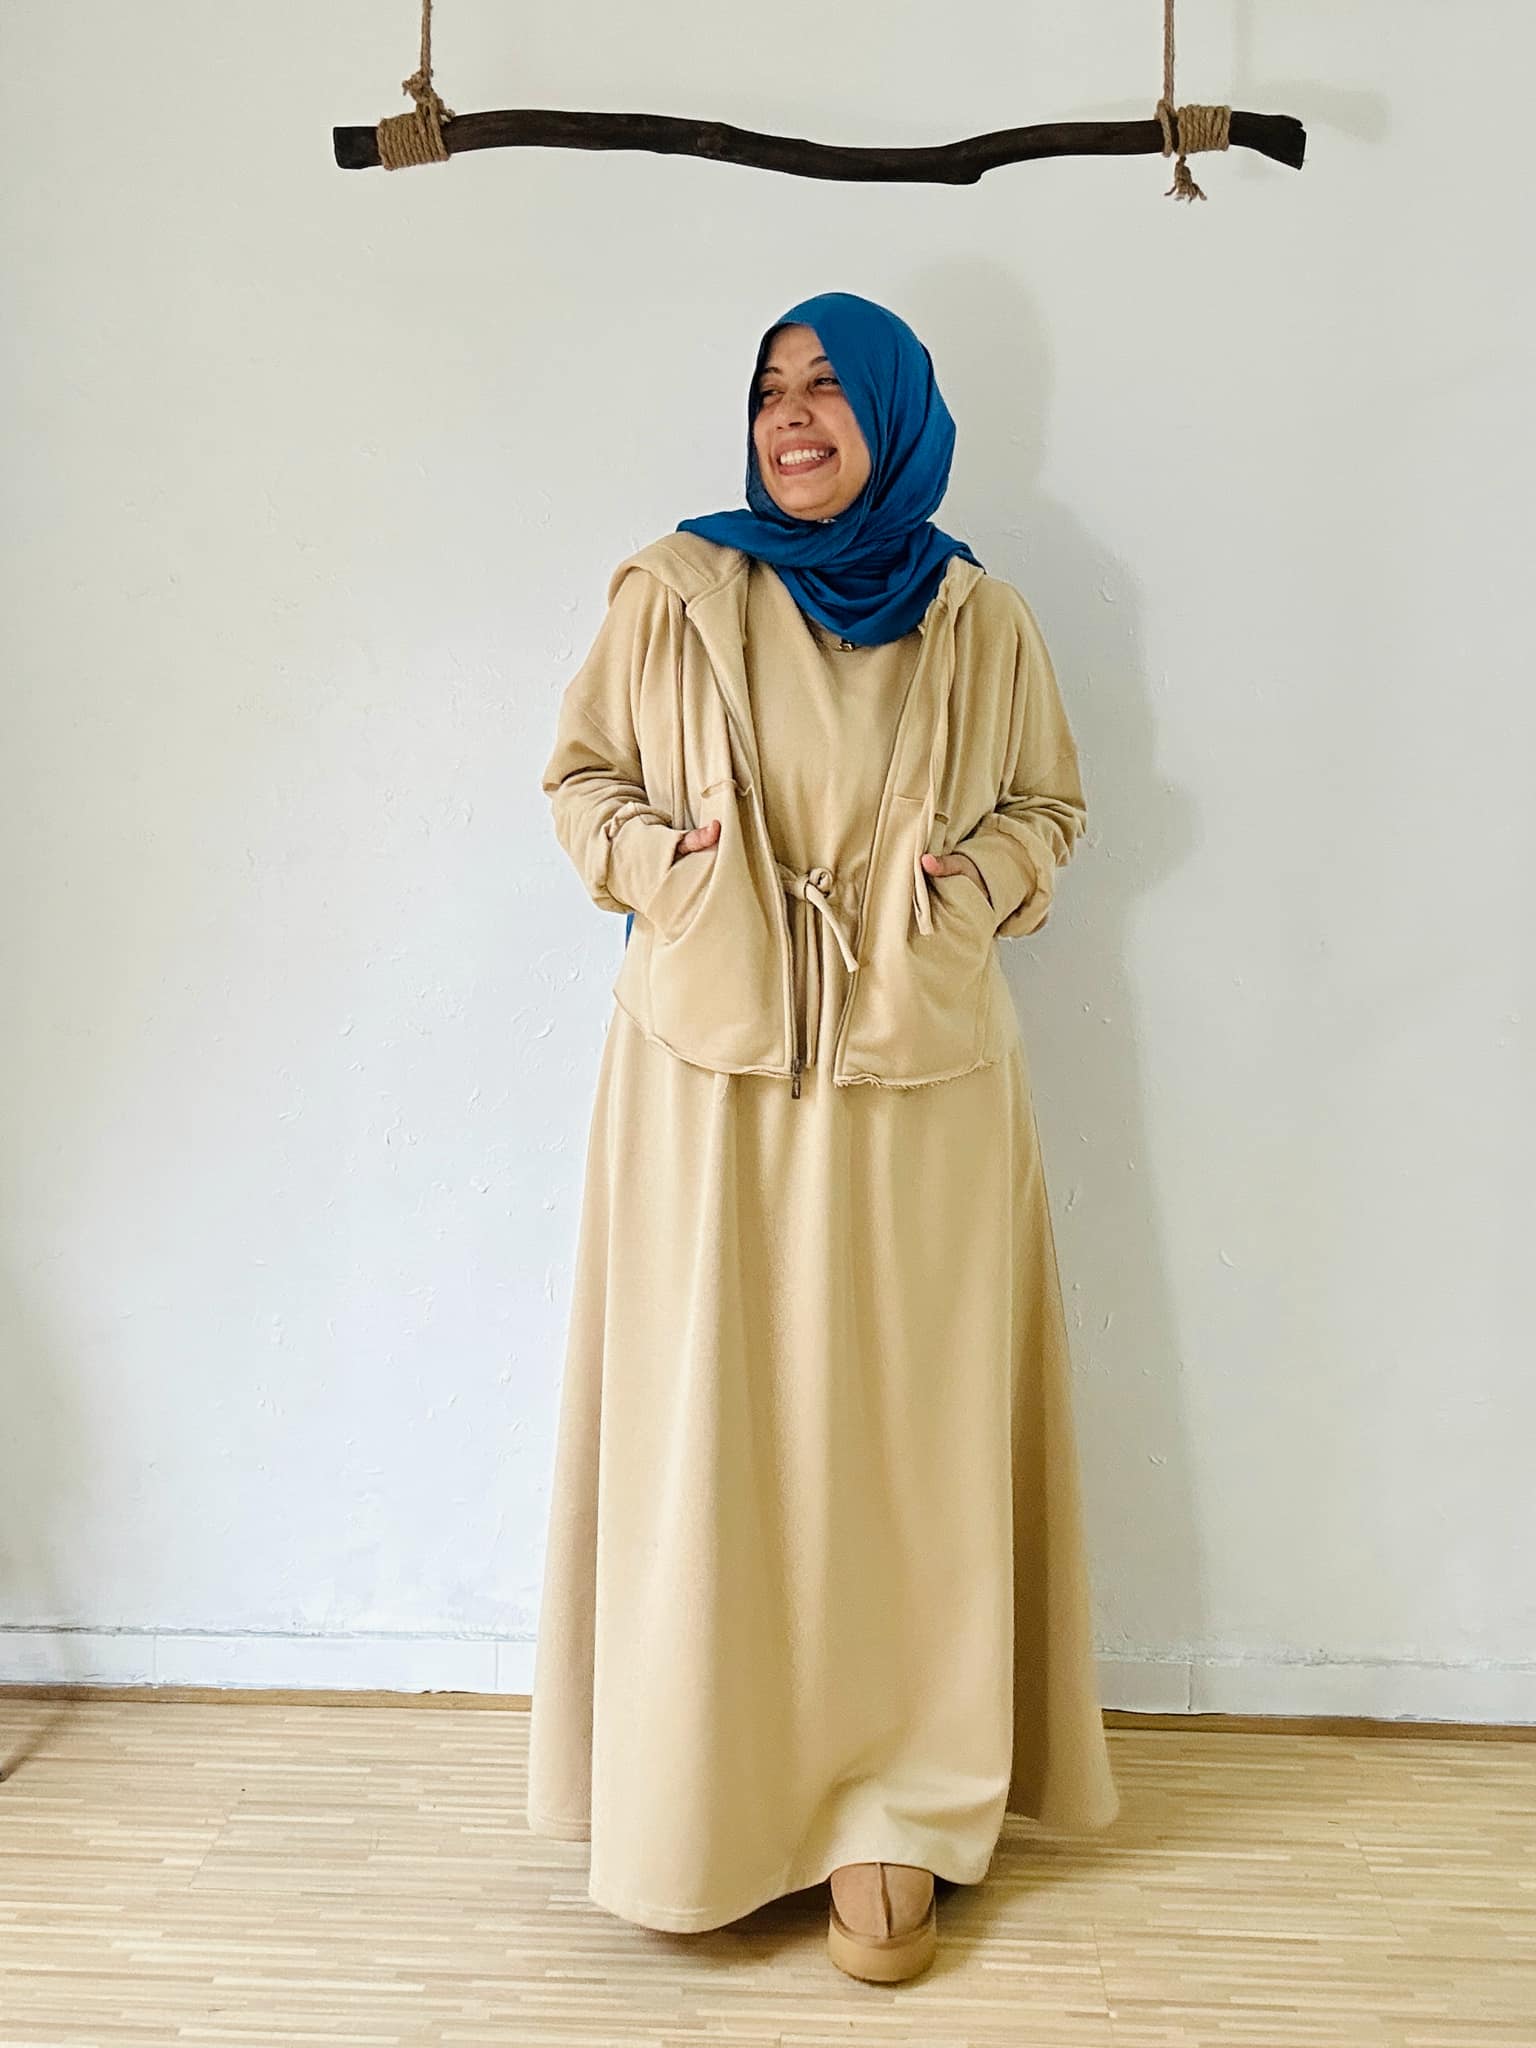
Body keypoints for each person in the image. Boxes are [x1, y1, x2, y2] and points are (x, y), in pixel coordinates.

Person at [526, 290, 1118, 1983]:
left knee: (907, 1454)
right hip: (706, 1083)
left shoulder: (980, 616)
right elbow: (578, 779)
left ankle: (893, 1810)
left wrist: (976, 884)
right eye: (772, 390)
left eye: (828, 389)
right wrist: (671, 876)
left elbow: (1053, 805)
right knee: (714, 1436)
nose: (793, 418)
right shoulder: (676, 592)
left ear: (896, 417)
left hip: (923, 1087)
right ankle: (706, 1797)